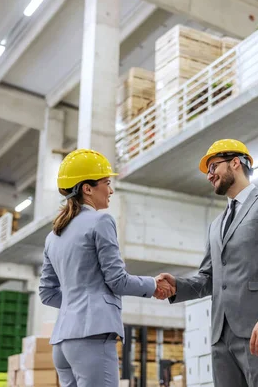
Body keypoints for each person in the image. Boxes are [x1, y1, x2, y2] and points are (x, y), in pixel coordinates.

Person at [158, 139, 258, 387]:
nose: (209, 176)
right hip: (222, 336)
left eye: (213, 167)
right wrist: (177, 286)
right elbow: (209, 278)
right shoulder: (217, 224)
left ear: (235, 162)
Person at [38, 148, 173, 387]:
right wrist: (153, 285)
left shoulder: (53, 236)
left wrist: (77, 300)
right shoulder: (101, 221)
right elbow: (117, 281)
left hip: (62, 344)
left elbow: (47, 294)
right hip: (91, 338)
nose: (110, 190)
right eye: (106, 183)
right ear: (87, 188)